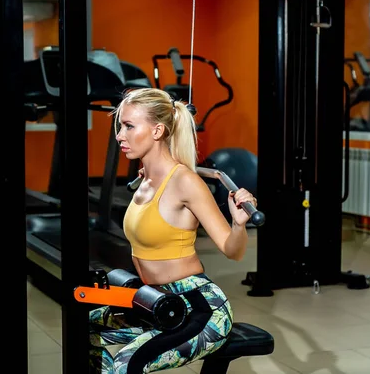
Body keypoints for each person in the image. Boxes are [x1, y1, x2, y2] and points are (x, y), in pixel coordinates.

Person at [88, 88, 257, 374]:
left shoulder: (185, 182)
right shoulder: (144, 180)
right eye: (120, 126)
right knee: (82, 327)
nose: (119, 135)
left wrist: (238, 223)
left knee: (125, 364)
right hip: (154, 301)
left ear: (157, 131)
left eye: (129, 126)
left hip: (199, 309)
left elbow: (233, 250)